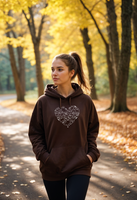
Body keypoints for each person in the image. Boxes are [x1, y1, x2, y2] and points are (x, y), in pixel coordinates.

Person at [28, 52, 100, 200]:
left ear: (71, 72)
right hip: (52, 165)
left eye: (60, 69)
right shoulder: (43, 102)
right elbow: (35, 133)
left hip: (80, 164)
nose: (54, 73)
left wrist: (91, 155)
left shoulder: (85, 101)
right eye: (52, 69)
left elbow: (92, 130)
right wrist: (45, 157)